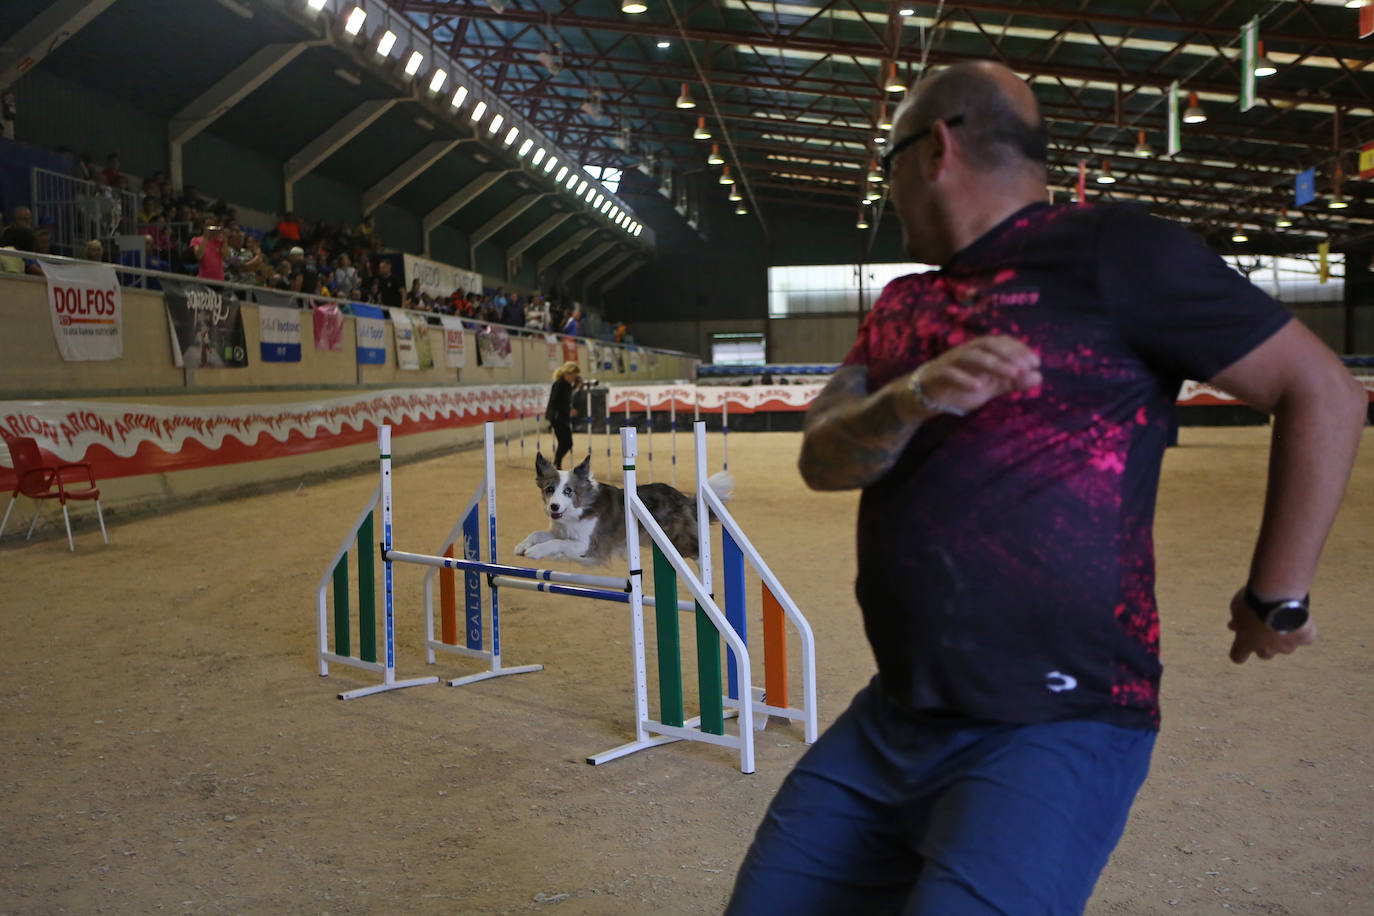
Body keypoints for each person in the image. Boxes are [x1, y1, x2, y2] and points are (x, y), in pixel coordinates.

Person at [725, 60, 1367, 915]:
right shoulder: (904, 305)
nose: (887, 194)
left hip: (1057, 727)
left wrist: (1277, 596)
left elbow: (1321, 388)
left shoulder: (1114, 252)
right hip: (894, 717)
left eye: (888, 164)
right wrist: (915, 396)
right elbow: (821, 459)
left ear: (936, 149)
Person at [545, 362, 582, 469]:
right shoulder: (559, 383)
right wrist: (568, 410)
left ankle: (557, 463)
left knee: (566, 442)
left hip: (562, 416)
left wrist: (576, 386)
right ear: (569, 374)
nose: (574, 378)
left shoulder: (566, 385)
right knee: (565, 442)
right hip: (557, 417)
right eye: (574, 375)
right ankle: (557, 463)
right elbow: (554, 401)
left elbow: (566, 399)